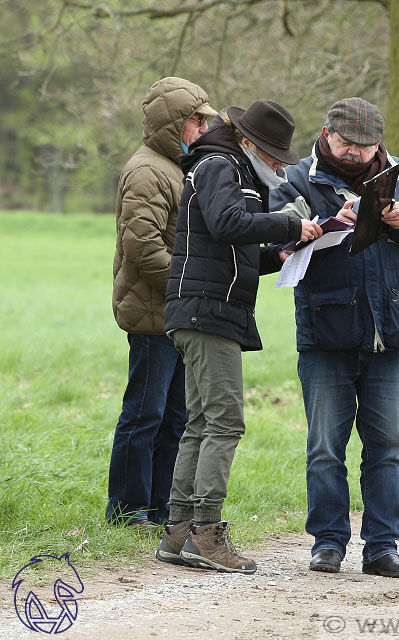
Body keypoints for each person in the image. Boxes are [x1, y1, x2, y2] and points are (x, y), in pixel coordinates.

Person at [270, 97, 399, 579]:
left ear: (379, 145)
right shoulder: (296, 178)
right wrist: (326, 224)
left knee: (386, 447)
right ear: (326, 133)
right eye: (346, 143)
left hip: (388, 334)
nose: (354, 154)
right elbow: (272, 240)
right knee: (326, 446)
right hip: (325, 336)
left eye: (365, 147)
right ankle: (327, 543)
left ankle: (382, 547)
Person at [153, 100, 323, 574]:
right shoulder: (219, 165)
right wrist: (291, 222)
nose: (277, 166)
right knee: (225, 423)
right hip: (208, 313)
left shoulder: (227, 168)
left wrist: (283, 251)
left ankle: (178, 533)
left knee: (201, 423)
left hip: (205, 309)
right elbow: (229, 224)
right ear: (249, 143)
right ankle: (207, 534)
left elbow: (233, 246)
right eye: (273, 156)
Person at [108, 77, 219, 528]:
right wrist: (189, 283)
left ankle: (159, 509)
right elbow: (142, 247)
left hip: (175, 311)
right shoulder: (148, 171)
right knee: (144, 415)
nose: (204, 128)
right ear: (176, 123)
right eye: (198, 120)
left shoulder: (178, 166)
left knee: (175, 417)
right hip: (152, 313)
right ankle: (127, 511)